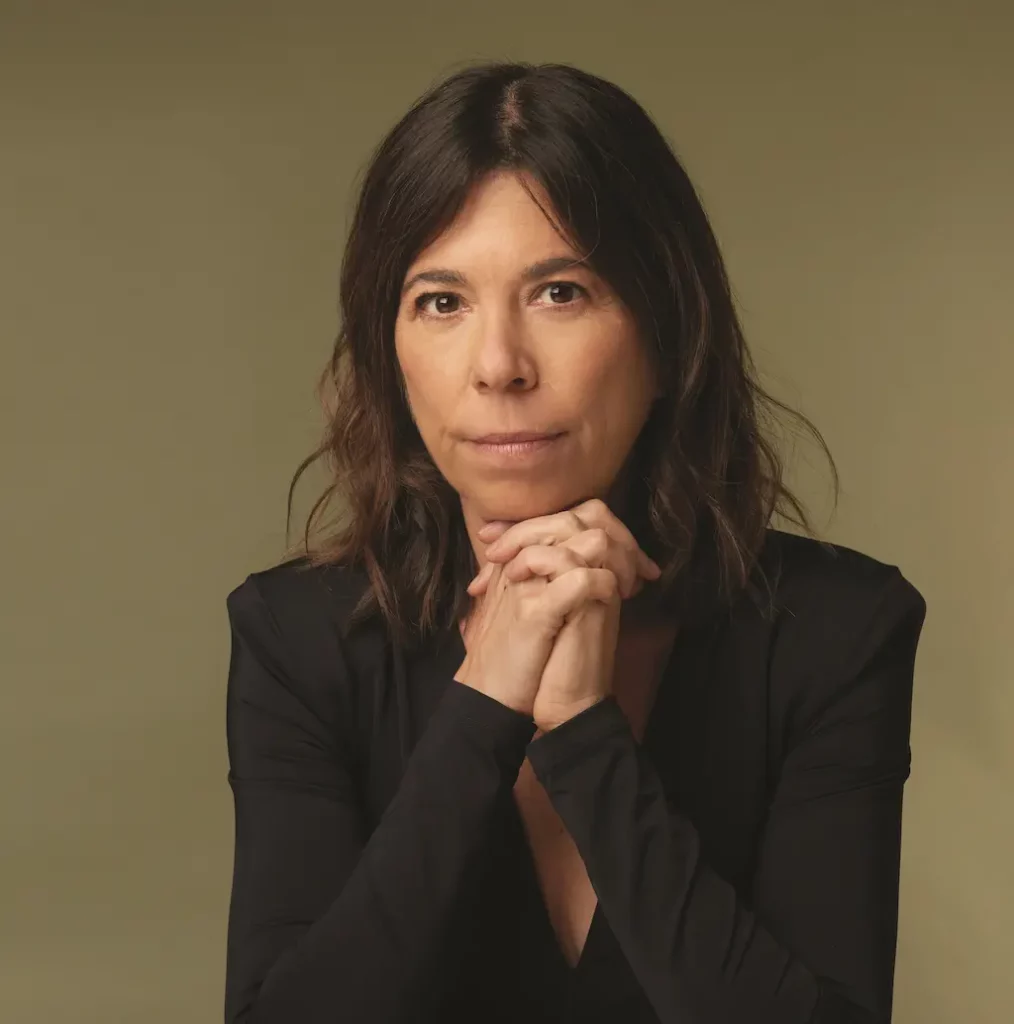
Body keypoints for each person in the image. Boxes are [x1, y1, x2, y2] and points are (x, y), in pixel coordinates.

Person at [222, 61, 927, 1024]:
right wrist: (485, 703)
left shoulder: (836, 632)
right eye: (441, 301)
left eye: (559, 292)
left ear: (669, 334)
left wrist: (585, 735)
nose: (499, 366)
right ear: (389, 351)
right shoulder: (296, 637)